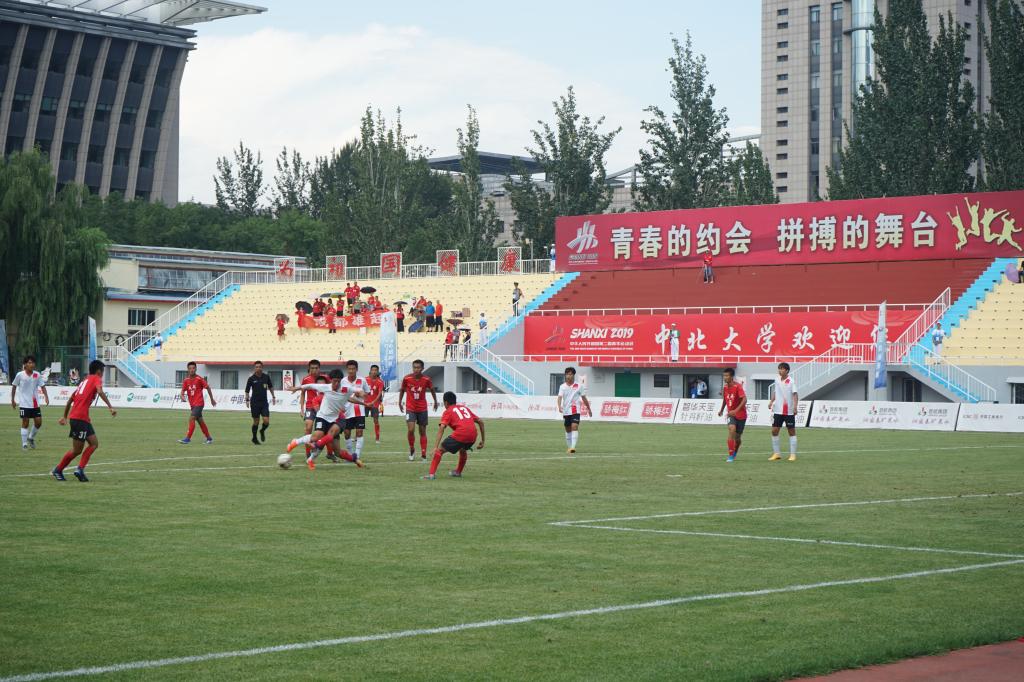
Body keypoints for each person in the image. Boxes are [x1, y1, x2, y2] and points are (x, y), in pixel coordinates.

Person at [287, 368, 365, 469]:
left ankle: (354, 459)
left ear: (341, 381)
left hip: (336, 419)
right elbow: (309, 386)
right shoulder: (325, 387)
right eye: (334, 381)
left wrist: (362, 394)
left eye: (338, 381)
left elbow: (357, 390)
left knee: (338, 452)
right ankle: (296, 442)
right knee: (316, 436)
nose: (336, 383)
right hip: (322, 417)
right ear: (331, 380)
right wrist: (296, 388)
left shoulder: (346, 388)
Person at [52, 359, 116, 482]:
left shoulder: (84, 381)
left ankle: (80, 469)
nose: (102, 374)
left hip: (81, 419)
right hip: (80, 419)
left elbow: (70, 400)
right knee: (77, 450)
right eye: (102, 371)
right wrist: (110, 407)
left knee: (94, 443)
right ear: (98, 371)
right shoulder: (96, 378)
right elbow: (100, 391)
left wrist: (65, 417)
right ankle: (58, 470)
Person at [423, 391, 485, 480]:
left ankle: (431, 475)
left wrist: (435, 447)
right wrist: (482, 441)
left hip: (461, 433)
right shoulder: (464, 408)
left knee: (440, 451)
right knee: (463, 449)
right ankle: (458, 472)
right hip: (473, 435)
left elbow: (442, 428)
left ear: (446, 402)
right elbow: (481, 422)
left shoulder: (448, 411)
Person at [398, 359, 438, 461]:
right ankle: (412, 449)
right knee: (411, 430)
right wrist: (399, 402)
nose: (416, 369)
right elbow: (402, 390)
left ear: (422, 368)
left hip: (422, 408)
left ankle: (423, 454)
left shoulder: (426, 379)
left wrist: (435, 401)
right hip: (410, 408)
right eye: (414, 367)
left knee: (422, 431)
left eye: (418, 367)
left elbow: (432, 390)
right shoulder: (407, 378)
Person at [12, 354, 49, 449]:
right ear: (25, 364)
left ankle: (31, 437)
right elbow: (14, 386)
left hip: (35, 404)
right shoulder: (20, 375)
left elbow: (42, 386)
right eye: (29, 362)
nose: (31, 364)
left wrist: (46, 396)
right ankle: (24, 444)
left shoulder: (37, 375)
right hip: (24, 403)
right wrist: (12, 400)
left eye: (33, 362)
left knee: (38, 422)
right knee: (25, 422)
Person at [178, 361, 216, 444]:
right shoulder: (186, 380)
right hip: (192, 405)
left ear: (196, 369)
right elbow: (182, 391)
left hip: (199, 403)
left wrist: (212, 399)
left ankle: (188, 438)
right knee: (200, 421)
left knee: (191, 418)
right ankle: (209, 438)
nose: (192, 370)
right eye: (190, 368)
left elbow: (208, 388)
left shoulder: (199, 379)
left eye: (193, 368)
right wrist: (182, 396)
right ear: (188, 369)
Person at [768, 362, 798, 462]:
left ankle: (793, 455)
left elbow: (795, 394)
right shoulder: (777, 380)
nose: (779, 370)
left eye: (782, 369)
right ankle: (777, 454)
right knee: (774, 431)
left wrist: (795, 407)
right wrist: (771, 401)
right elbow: (776, 392)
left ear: (787, 370)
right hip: (778, 410)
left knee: (791, 431)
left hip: (788, 411)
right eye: (779, 369)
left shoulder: (791, 381)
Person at [557, 366, 591, 454]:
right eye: (567, 374)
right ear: (565, 375)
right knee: (568, 429)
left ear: (574, 375)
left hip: (576, 410)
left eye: (570, 374)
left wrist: (589, 408)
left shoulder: (579, 386)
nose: (568, 376)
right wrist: (559, 406)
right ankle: (569, 447)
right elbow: (559, 397)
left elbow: (584, 398)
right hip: (566, 411)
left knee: (574, 426)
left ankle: (573, 447)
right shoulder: (562, 386)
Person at [717, 368, 747, 462]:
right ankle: (730, 455)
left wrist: (736, 410)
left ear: (731, 377)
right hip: (731, 414)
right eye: (724, 375)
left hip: (741, 415)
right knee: (732, 429)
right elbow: (725, 399)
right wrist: (721, 410)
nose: (725, 377)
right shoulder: (725, 388)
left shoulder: (738, 387)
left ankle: (735, 452)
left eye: (727, 376)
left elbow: (744, 399)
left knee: (737, 438)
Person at [245, 360, 276, 445]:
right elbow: (247, 391)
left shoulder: (266, 377)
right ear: (254, 368)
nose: (258, 368)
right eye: (256, 367)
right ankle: (254, 438)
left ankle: (262, 431)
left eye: (259, 367)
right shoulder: (251, 379)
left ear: (262, 368)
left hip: (264, 403)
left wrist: (273, 396)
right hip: (254, 403)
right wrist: (247, 400)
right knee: (256, 422)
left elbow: (271, 387)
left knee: (266, 421)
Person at [299, 359, 325, 457]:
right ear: (309, 369)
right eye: (312, 368)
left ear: (319, 369)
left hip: (322, 408)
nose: (314, 370)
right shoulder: (306, 379)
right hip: (310, 407)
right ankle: (307, 452)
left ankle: (330, 453)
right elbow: (302, 393)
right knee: (308, 427)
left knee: (323, 431)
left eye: (316, 368)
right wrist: (301, 409)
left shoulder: (325, 378)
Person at [365, 364, 385, 444]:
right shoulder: (365, 379)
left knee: (376, 421)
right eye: (372, 370)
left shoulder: (380, 382)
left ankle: (377, 438)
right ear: (370, 370)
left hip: (374, 404)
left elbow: (380, 393)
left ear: (377, 372)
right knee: (360, 420)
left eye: (375, 370)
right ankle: (357, 437)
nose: (374, 371)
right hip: (365, 404)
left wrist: (373, 402)